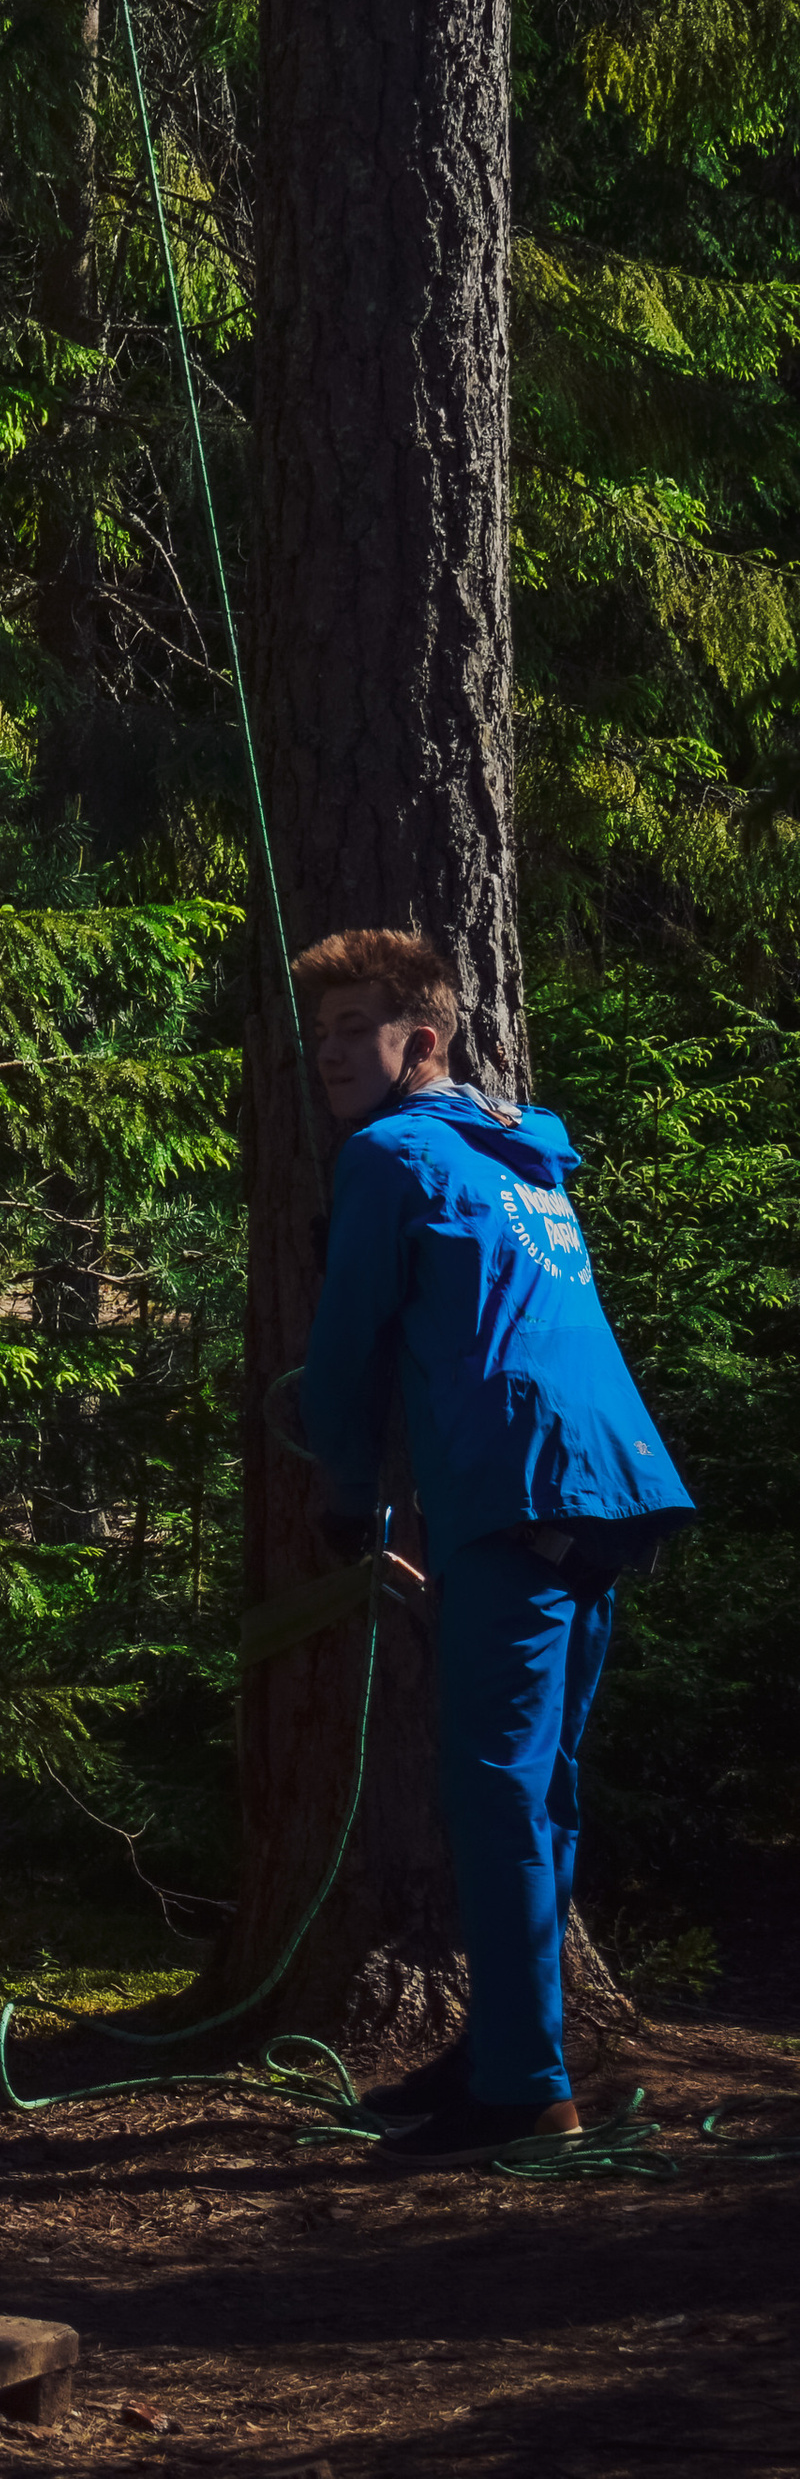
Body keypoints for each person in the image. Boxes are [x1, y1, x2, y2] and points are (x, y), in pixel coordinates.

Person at [297, 926, 694, 2163]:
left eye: (351, 1031)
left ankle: (525, 2091)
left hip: (513, 1491)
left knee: (495, 1790)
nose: (326, 1056)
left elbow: (346, 1348)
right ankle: (509, 2047)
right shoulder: (522, 1152)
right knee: (541, 1787)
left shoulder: (388, 1156)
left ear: (420, 1039)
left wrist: (343, 1492)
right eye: (316, 1036)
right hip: (612, 1484)